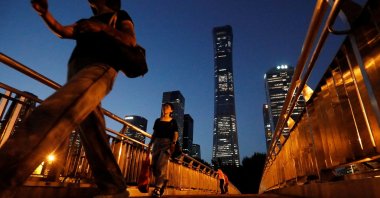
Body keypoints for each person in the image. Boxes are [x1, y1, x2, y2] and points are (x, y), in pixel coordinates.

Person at [0, 0, 137, 197]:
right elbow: (63, 31)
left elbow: (130, 40)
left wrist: (101, 28)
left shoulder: (120, 15)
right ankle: (114, 186)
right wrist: (45, 14)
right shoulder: (86, 21)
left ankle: (4, 177)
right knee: (93, 133)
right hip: (76, 73)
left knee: (53, 111)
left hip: (99, 69)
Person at [148, 103, 179, 197]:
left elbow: (175, 134)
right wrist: (150, 143)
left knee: (161, 165)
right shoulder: (158, 120)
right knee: (154, 166)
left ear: (171, 110)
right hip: (157, 143)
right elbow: (155, 133)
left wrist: (173, 144)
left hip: (167, 144)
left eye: (167, 107)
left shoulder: (173, 121)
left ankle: (157, 189)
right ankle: (163, 181)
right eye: (163, 107)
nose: (165, 108)